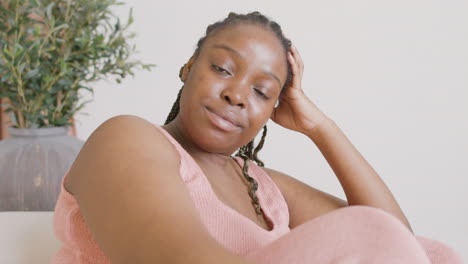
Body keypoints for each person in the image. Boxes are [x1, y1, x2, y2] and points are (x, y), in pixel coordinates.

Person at [51, 11, 463, 264]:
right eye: (224, 69)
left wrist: (319, 126)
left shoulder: (261, 187)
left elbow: (401, 243)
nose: (237, 94)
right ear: (189, 67)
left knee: (435, 252)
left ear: (272, 110)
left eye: (263, 91)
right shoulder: (127, 138)